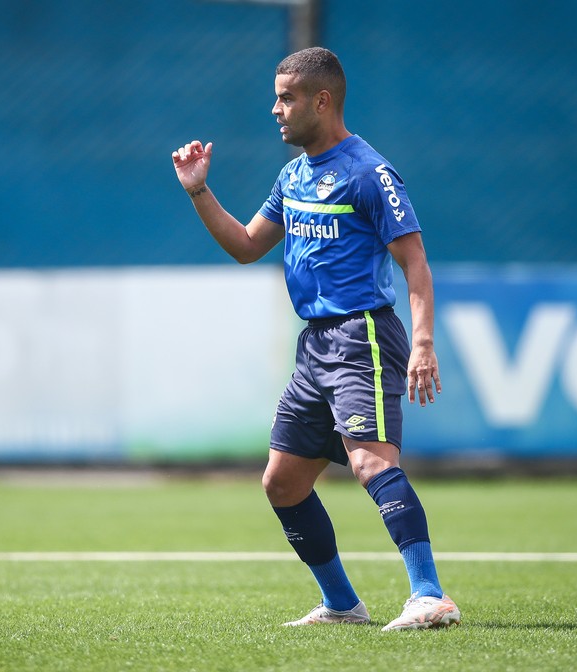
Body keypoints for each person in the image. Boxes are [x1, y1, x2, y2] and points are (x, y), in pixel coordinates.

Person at [171, 47, 460, 631]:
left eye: (286, 97)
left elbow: (417, 265)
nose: (275, 109)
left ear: (321, 101)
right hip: (316, 346)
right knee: (282, 481)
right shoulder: (294, 174)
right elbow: (247, 246)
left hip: (363, 337)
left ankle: (430, 595)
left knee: (370, 462)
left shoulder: (368, 172)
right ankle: (343, 604)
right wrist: (199, 191)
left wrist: (424, 343)